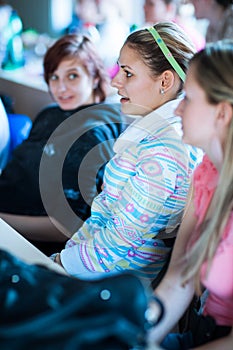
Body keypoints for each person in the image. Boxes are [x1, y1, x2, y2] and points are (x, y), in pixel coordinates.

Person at [49, 21, 201, 282]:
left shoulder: (163, 152)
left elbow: (118, 242)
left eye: (128, 73)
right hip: (92, 269)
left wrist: (59, 263)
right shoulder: (154, 136)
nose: (116, 81)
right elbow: (104, 214)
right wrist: (64, 256)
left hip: (113, 288)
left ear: (165, 80)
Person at [0, 34, 127, 253]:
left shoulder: (95, 133)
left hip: (26, 243)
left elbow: (69, 226)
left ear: (95, 77)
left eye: (72, 76)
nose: (61, 88)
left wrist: (2, 222)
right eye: (54, 77)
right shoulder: (50, 113)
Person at [148, 39, 233, 349]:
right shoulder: (206, 172)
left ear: (222, 113)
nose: (178, 107)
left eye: (188, 97)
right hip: (200, 329)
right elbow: (179, 277)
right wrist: (139, 336)